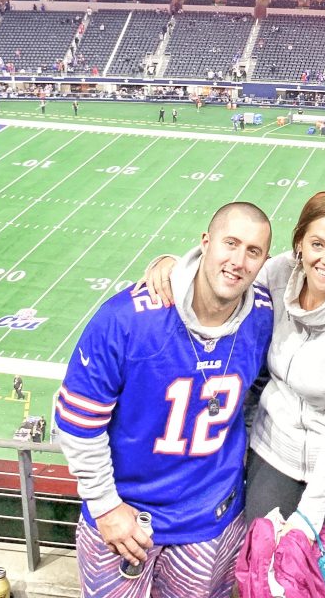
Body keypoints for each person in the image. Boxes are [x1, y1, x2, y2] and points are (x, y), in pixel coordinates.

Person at [146, 192, 325, 556]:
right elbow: (225, 273)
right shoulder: (279, 273)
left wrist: (309, 516)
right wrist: (171, 266)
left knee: (316, 580)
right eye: (317, 244)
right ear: (299, 245)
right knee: (259, 570)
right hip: (276, 449)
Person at [57, 203, 274, 598]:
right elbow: (77, 420)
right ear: (205, 243)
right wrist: (105, 507)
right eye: (230, 243)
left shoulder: (263, 315)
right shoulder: (128, 318)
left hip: (211, 522)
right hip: (127, 518)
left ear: (264, 261)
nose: (238, 261)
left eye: (253, 251)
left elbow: (259, 390)